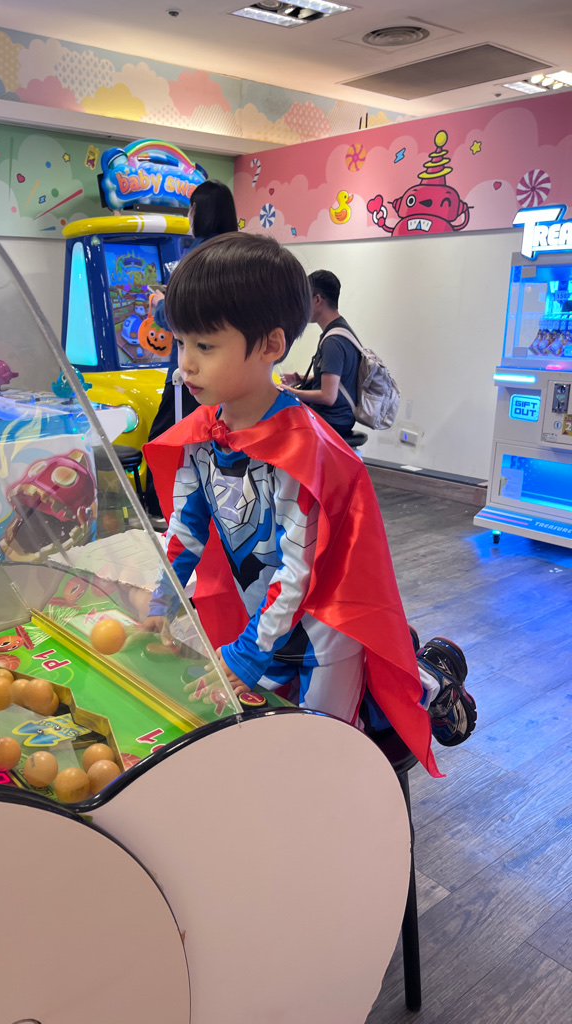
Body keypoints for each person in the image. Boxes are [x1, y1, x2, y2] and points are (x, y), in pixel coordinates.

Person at [143, 233, 475, 777]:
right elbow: (186, 530)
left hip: (323, 627)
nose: (185, 366)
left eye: (204, 346)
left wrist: (245, 655)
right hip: (262, 620)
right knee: (270, 738)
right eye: (181, 344)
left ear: (271, 345)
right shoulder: (203, 433)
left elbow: (298, 572)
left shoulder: (302, 451)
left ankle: (431, 683)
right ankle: (416, 666)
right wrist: (162, 601)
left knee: (328, 752)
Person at [144, 179, 238, 520]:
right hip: (234, 373)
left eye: (190, 209)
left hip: (190, 372)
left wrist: (160, 304)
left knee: (166, 438)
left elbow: (178, 316)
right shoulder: (240, 255)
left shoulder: (195, 258)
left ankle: (161, 508)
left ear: (198, 211)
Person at [279, 270, 360, 439]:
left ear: (317, 300)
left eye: (304, 300)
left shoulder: (333, 341)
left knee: (275, 421)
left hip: (331, 420)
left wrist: (289, 391)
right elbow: (337, 380)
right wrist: (300, 379)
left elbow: (328, 396)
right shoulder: (342, 330)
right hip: (341, 418)